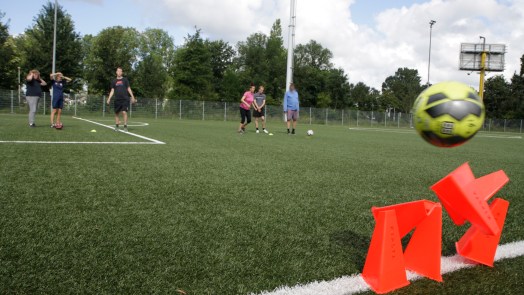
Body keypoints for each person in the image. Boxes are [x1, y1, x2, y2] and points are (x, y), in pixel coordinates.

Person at [106, 67, 136, 132]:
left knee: (124, 112)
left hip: (125, 99)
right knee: (116, 113)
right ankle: (117, 126)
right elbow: (112, 90)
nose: (119, 72)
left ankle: (125, 126)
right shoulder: (114, 81)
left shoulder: (125, 80)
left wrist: (132, 97)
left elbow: (128, 88)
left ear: (122, 72)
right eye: (118, 71)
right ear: (116, 72)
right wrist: (109, 98)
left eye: (120, 71)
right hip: (117, 100)